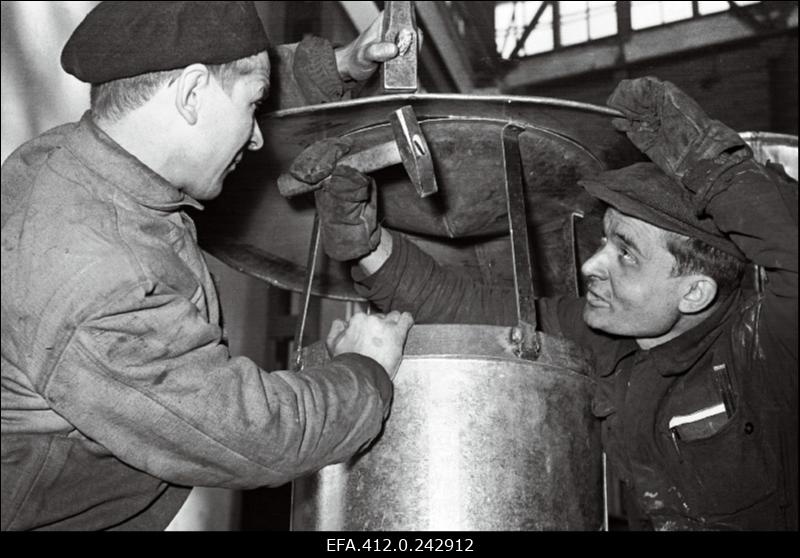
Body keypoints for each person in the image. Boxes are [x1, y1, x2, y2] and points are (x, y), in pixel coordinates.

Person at [292, 77, 798, 530]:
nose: (591, 265)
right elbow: (466, 306)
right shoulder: (608, 339)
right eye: (604, 241)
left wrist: (709, 161)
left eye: (625, 254)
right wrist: (367, 247)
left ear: (694, 292)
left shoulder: (768, 349)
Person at [1, 1, 414, 531]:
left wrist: (338, 66)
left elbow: (221, 69)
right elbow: (253, 434)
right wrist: (365, 370)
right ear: (191, 94)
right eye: (253, 107)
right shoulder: (100, 277)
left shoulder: (69, 160)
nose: (259, 136)